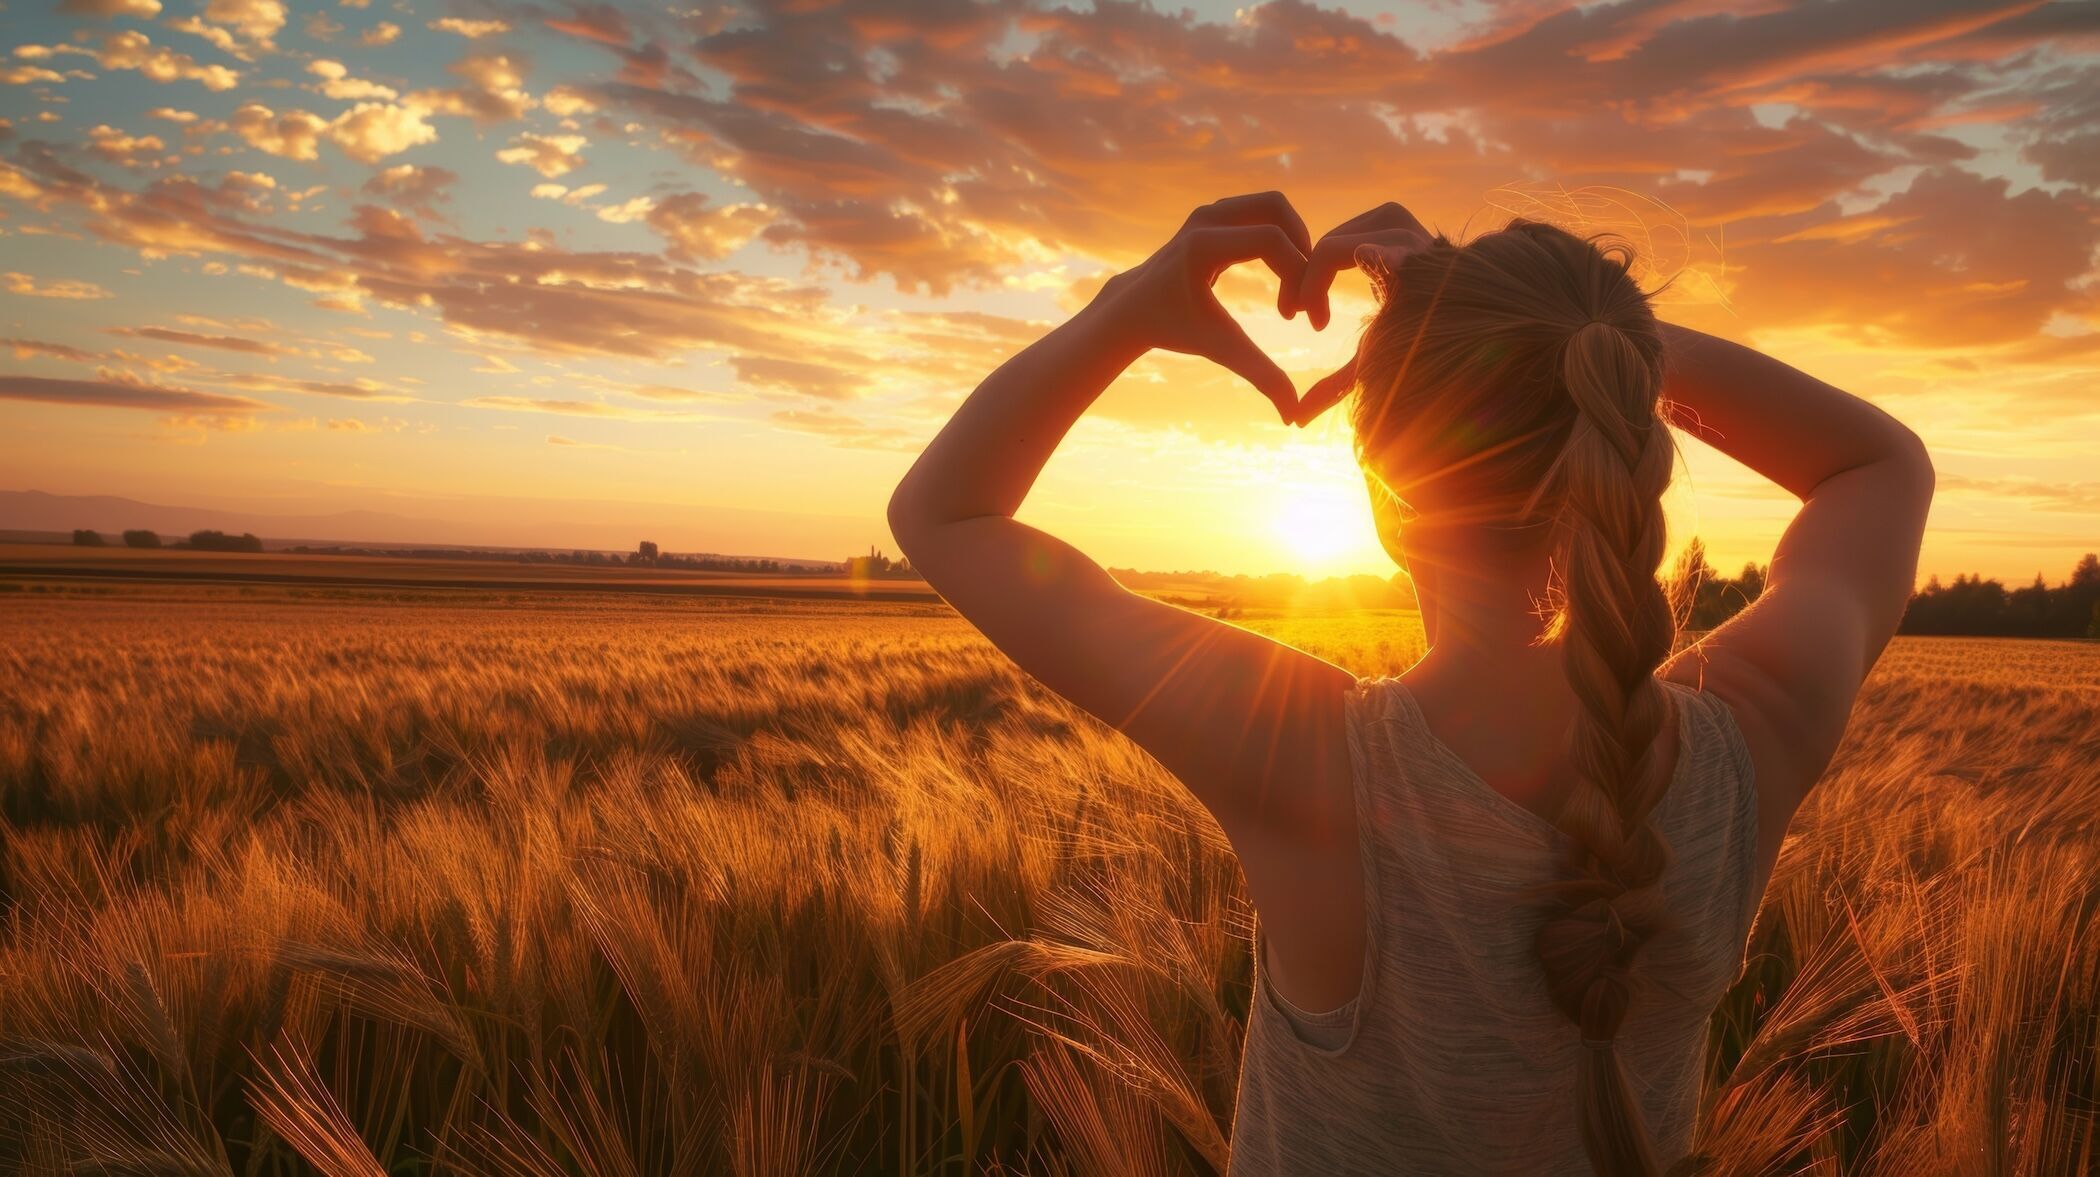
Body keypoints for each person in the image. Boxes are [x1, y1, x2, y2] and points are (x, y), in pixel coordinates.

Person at [886, 192, 1934, 1176]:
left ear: (1386, 506)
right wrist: (1543, 333)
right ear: (1628, 430)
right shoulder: (1754, 736)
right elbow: (1881, 464)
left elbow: (949, 512)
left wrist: (1132, 307)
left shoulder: (1312, 761)